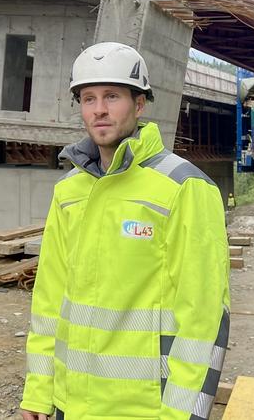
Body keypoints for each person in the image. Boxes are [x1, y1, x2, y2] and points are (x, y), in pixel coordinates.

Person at [20, 42, 230, 420]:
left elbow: (204, 316)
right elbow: (50, 300)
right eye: (88, 98)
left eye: (112, 96)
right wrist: (39, 389)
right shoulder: (69, 191)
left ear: (139, 104)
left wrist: (182, 415)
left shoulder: (183, 187)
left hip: (146, 410)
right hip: (71, 406)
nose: (99, 109)